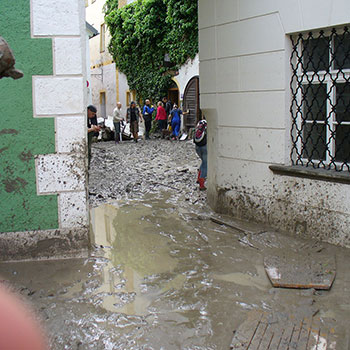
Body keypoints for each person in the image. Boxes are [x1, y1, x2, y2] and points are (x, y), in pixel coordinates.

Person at [194, 119, 207, 190]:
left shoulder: (200, 123)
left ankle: (198, 178)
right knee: (205, 164)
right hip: (205, 147)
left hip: (197, 146)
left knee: (203, 162)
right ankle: (201, 184)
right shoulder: (209, 124)